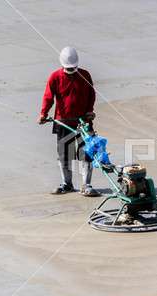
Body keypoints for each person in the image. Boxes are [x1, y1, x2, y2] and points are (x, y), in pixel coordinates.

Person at [37, 47, 98, 196]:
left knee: (86, 153)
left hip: (83, 123)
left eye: (74, 66)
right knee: (65, 154)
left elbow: (91, 94)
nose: (72, 69)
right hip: (63, 122)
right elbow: (48, 97)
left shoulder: (85, 75)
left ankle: (86, 184)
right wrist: (44, 114)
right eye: (69, 67)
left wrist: (90, 110)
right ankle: (67, 183)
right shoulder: (55, 77)